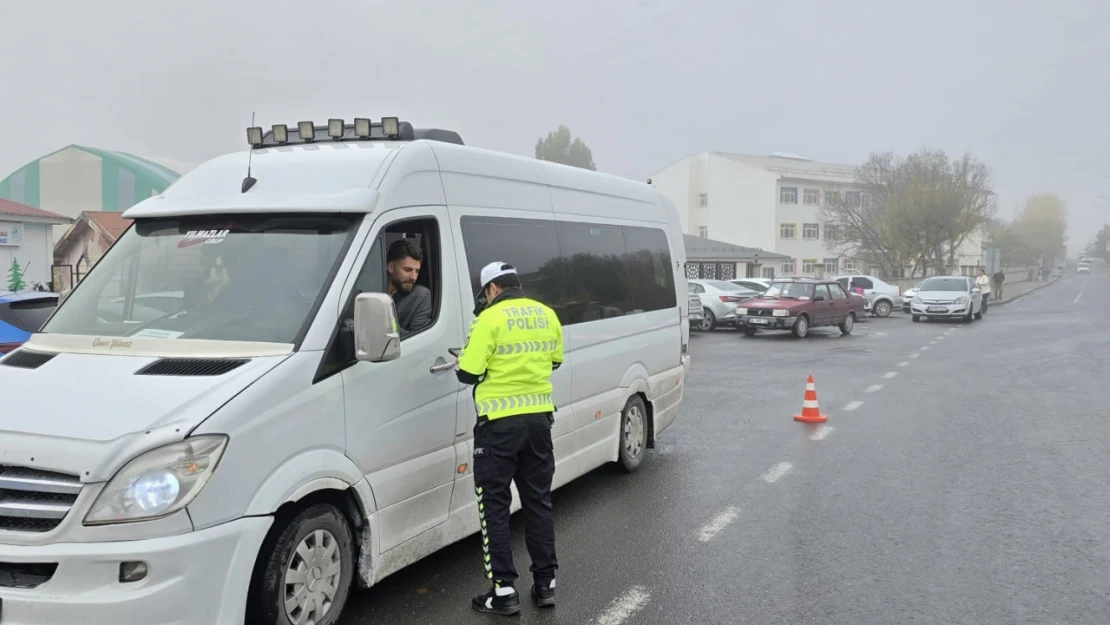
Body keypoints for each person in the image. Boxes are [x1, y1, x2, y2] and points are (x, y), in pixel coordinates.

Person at [456, 262, 564, 616]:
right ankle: (545, 584)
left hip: (498, 428)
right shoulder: (546, 314)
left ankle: (503, 592)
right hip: (538, 424)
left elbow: (468, 372)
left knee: (495, 508)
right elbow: (555, 361)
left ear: (491, 289)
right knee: (538, 502)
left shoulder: (488, 318)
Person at [386, 239, 433, 337]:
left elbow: (418, 338)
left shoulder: (420, 296)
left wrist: (386, 324)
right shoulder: (370, 289)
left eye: (417, 271)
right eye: (407, 270)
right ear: (391, 267)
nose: (414, 277)